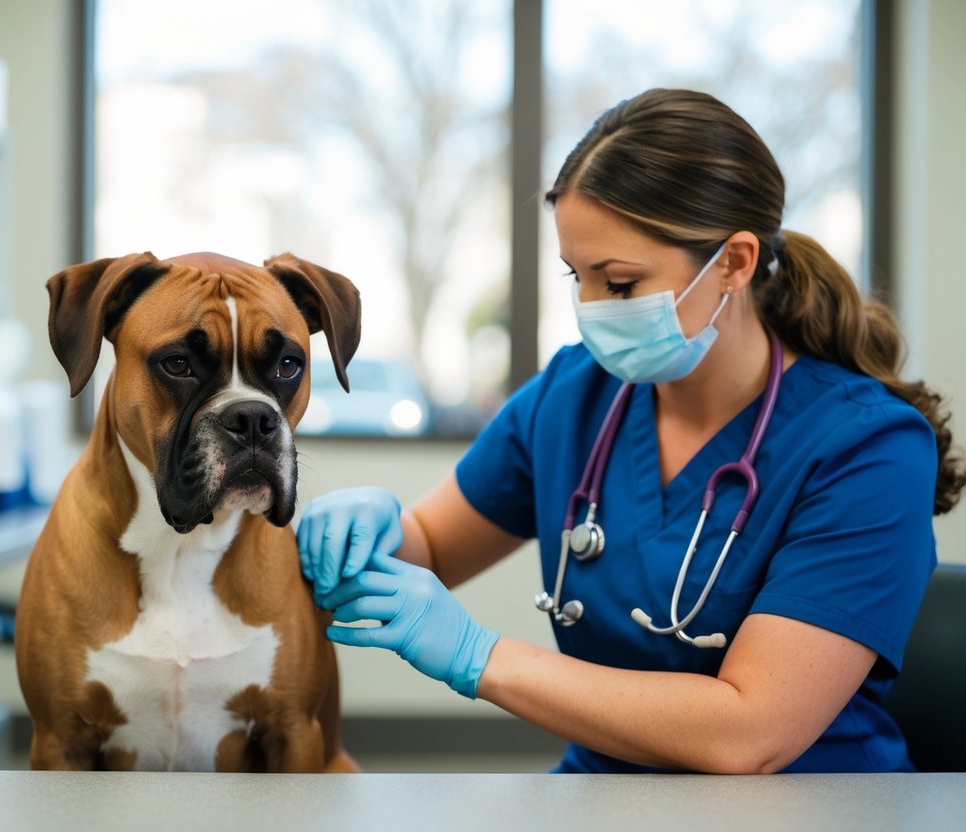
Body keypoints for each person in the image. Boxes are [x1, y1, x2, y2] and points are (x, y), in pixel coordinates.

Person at [295, 88, 966, 774]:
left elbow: (749, 733)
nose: (589, 310)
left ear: (733, 262)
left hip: (804, 808)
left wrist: (479, 657)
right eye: (576, 276)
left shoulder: (866, 448)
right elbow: (433, 545)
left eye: (617, 284)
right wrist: (375, 533)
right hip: (599, 799)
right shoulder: (572, 394)